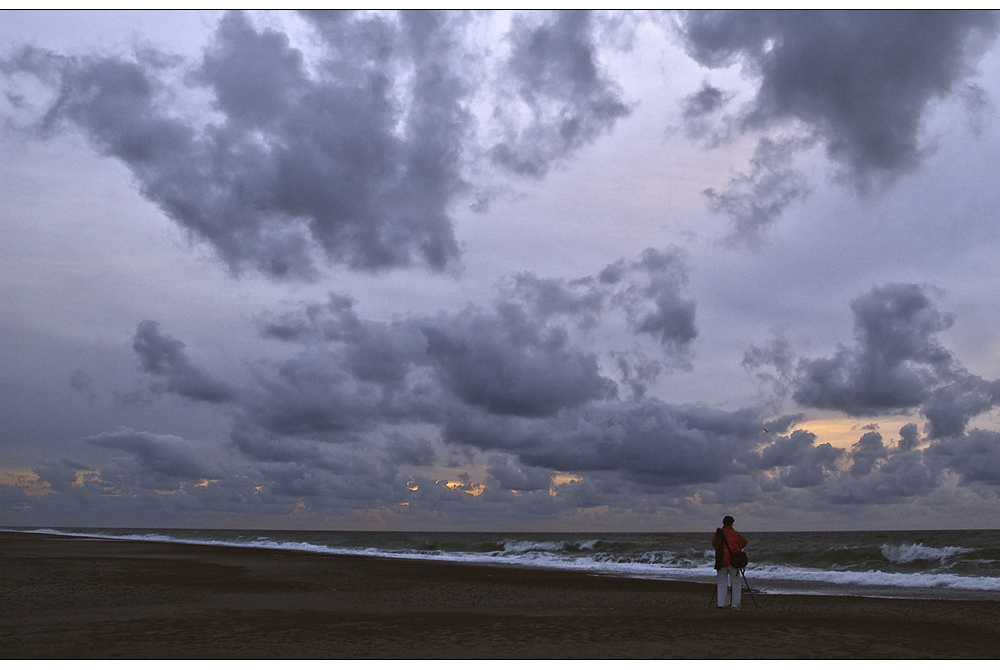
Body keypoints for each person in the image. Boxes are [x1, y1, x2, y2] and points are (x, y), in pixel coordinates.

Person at [712, 515, 747, 609]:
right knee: (735, 583)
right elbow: (743, 543)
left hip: (721, 561)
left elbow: (714, 545)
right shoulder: (735, 534)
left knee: (721, 582)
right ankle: (735, 605)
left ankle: (721, 604)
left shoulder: (718, 533)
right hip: (733, 561)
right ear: (732, 523)